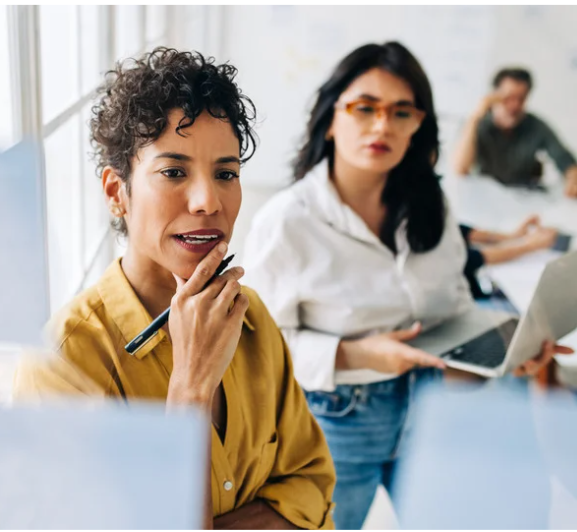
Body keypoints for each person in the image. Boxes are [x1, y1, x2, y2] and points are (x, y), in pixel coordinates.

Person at [242, 42, 573, 529]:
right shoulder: (287, 222)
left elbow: (453, 311)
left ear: (419, 124)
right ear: (331, 118)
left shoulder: (429, 205)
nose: (383, 126)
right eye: (365, 108)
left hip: (434, 408)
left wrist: (506, 353)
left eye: (401, 112)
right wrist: (359, 354)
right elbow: (259, 352)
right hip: (333, 421)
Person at [13, 48, 336, 529]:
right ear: (115, 192)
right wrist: (190, 387)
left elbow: (313, 483)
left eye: (226, 173)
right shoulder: (63, 365)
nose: (209, 201)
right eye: (173, 172)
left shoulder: (253, 320)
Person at [452, 67, 577, 197]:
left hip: (522, 198)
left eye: (521, 99)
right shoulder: (475, 124)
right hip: (483, 199)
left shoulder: (535, 125)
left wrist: (573, 178)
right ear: (494, 96)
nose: (514, 105)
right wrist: (475, 118)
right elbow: (460, 169)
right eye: (508, 98)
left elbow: (564, 158)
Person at [460, 214, 559, 301]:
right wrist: (530, 245)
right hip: (469, 298)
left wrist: (512, 236)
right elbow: (472, 258)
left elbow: (460, 231)